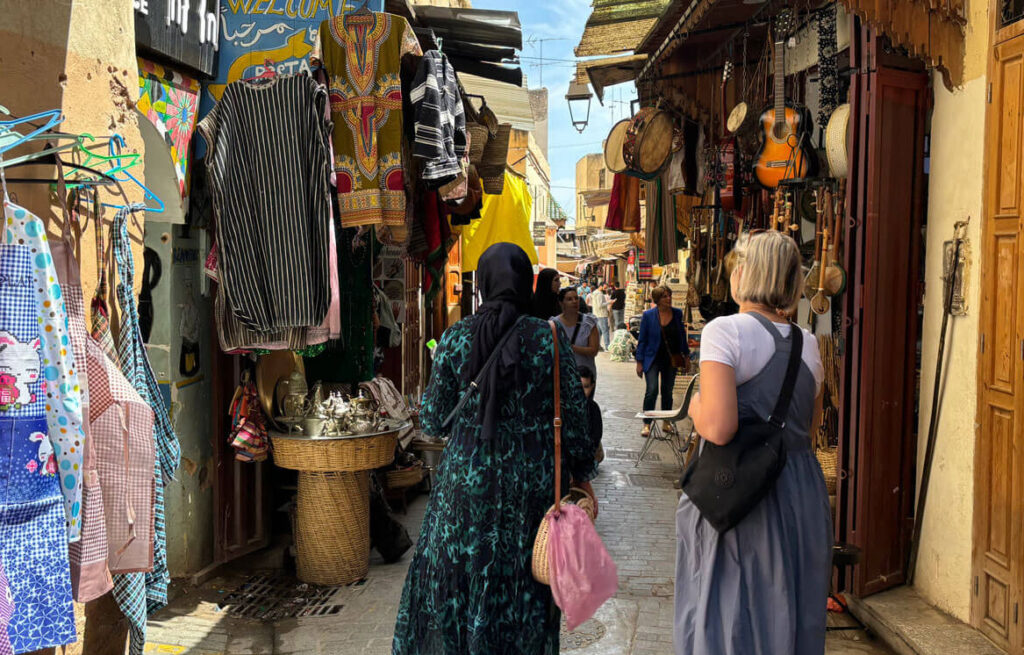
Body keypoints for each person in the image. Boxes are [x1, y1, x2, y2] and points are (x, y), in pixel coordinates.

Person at [393, 243, 598, 655]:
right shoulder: (549, 338)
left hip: (464, 490)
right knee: (525, 584)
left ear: (485, 283)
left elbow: (432, 419)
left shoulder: (455, 338)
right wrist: (581, 476)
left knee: (460, 580)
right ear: (524, 283)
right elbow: (576, 422)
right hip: (532, 489)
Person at [675, 231, 830, 655]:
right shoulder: (808, 343)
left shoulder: (724, 332)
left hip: (740, 494)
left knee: (730, 614)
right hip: (800, 492)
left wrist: (695, 406)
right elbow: (808, 429)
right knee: (789, 611)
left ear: (744, 272)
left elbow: (719, 427)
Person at [635, 285, 689, 437]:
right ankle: (647, 424)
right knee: (652, 390)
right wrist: (639, 362)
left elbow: (681, 336)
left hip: (670, 359)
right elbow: (642, 339)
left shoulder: (677, 314)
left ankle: (666, 422)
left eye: (669, 295)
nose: (668, 298)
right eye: (665, 296)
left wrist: (686, 356)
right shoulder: (648, 315)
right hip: (652, 358)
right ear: (657, 299)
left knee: (667, 391)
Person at [553, 287, 601, 380]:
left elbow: (594, 350)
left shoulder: (589, 323)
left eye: (576, 298)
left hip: (584, 376)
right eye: (569, 299)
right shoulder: (554, 324)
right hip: (562, 376)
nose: (574, 301)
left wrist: (571, 348)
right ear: (561, 303)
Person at [578, 364, 604, 464]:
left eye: (586, 387)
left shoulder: (593, 408)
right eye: (579, 386)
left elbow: (597, 435)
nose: (581, 391)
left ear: (592, 386)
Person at [590, 283, 610, 349]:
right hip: (601, 314)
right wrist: (609, 302)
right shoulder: (599, 294)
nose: (606, 289)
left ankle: (597, 346)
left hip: (596, 314)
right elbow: (600, 305)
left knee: (599, 332)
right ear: (601, 286)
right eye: (605, 287)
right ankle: (607, 346)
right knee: (605, 331)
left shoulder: (595, 293)